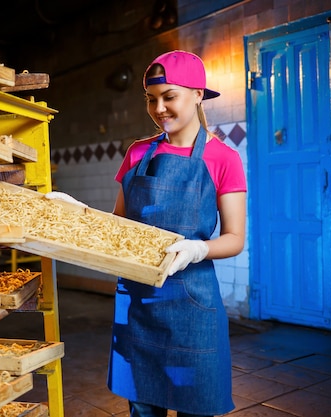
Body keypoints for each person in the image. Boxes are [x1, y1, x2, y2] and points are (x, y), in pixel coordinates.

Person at [107, 50, 247, 417]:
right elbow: (116, 223)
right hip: (139, 301)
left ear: (198, 94)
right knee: (142, 408)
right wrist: (72, 212)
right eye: (152, 99)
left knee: (195, 405)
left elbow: (235, 238)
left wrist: (198, 250)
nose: (159, 108)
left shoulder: (223, 158)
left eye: (169, 97)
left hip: (192, 303)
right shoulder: (138, 153)